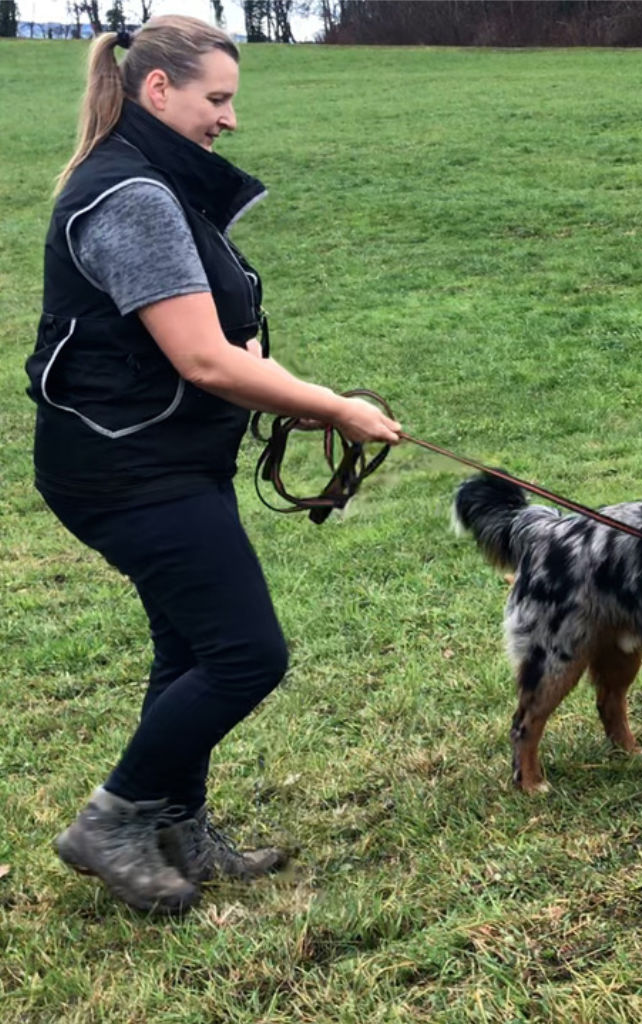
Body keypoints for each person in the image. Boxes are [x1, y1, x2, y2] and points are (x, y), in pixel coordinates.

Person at [25, 15, 402, 915]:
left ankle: (176, 824)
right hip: (127, 470)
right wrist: (334, 408)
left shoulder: (153, 178)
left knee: (189, 646)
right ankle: (111, 820)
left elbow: (216, 347)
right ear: (159, 91)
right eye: (217, 98)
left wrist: (311, 394)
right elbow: (203, 359)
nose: (229, 119)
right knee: (245, 655)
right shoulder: (135, 195)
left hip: (161, 457)